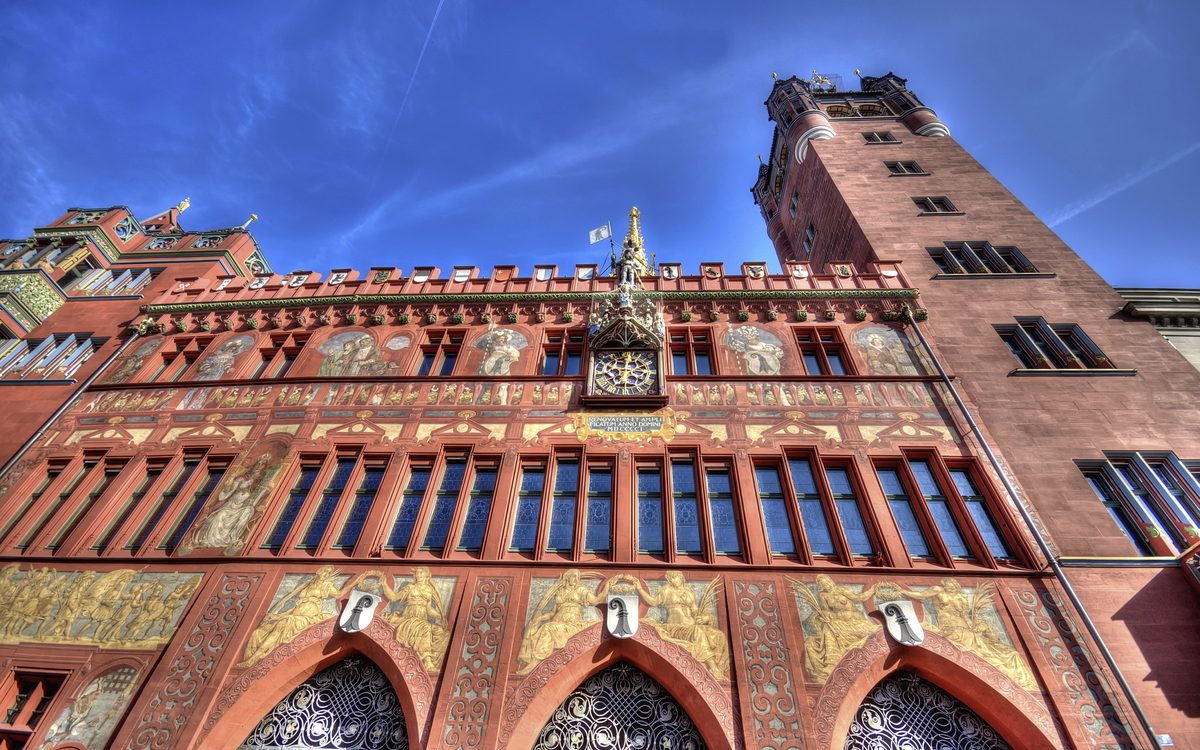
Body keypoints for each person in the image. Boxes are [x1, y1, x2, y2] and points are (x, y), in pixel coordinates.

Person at [239, 566, 358, 666]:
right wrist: (275, 616)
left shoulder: (326, 585)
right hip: (295, 614)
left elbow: (338, 595)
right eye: (324, 571)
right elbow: (294, 609)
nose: (325, 574)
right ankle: (253, 659)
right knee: (257, 632)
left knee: (284, 623)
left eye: (328, 573)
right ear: (319, 571)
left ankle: (253, 659)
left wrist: (355, 582)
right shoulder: (307, 586)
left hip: (307, 618)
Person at [621, 571, 730, 679]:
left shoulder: (689, 592)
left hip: (691, 626)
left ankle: (718, 666)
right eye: (671, 577)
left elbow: (695, 611)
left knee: (718, 634)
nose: (674, 579)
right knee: (698, 632)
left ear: (682, 578)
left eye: (676, 576)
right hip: (676, 628)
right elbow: (653, 602)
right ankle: (712, 667)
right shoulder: (666, 590)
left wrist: (705, 618)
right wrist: (640, 588)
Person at [518, 570, 620, 673]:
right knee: (536, 630)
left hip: (572, 624)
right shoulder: (559, 592)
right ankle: (534, 662)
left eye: (578, 577)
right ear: (567, 578)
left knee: (547, 628)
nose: (576, 579)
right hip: (558, 623)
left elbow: (596, 600)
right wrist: (539, 618)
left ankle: (535, 662)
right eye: (574, 577)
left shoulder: (581, 590)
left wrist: (607, 587)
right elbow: (553, 612)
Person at [789, 575, 883, 682]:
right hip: (840, 622)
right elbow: (827, 610)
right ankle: (830, 663)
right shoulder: (823, 595)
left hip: (857, 622)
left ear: (830, 581)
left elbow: (859, 598)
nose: (827, 585)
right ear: (821, 586)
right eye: (824, 584)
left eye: (827, 582)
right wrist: (824, 616)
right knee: (827, 628)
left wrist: (872, 590)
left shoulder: (841, 589)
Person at [380, 567, 450, 671]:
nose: (418, 573)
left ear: (427, 575)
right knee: (425, 627)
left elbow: (429, 609)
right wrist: (384, 584)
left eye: (421, 572)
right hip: (408, 618)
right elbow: (394, 597)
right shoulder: (410, 587)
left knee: (443, 632)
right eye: (417, 572)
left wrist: (441, 617)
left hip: (421, 619)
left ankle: (433, 659)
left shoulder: (429, 590)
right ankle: (427, 662)